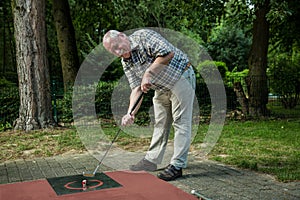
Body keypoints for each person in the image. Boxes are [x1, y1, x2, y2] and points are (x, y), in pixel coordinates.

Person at [103, 29, 196, 181]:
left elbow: (167, 53)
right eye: (113, 51)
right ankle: (151, 161)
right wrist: (130, 113)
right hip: (161, 87)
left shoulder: (144, 37)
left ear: (122, 36)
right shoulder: (126, 62)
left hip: (181, 77)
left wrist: (148, 73)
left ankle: (177, 166)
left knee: (181, 122)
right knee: (160, 122)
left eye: (117, 46)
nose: (118, 51)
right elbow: (136, 88)